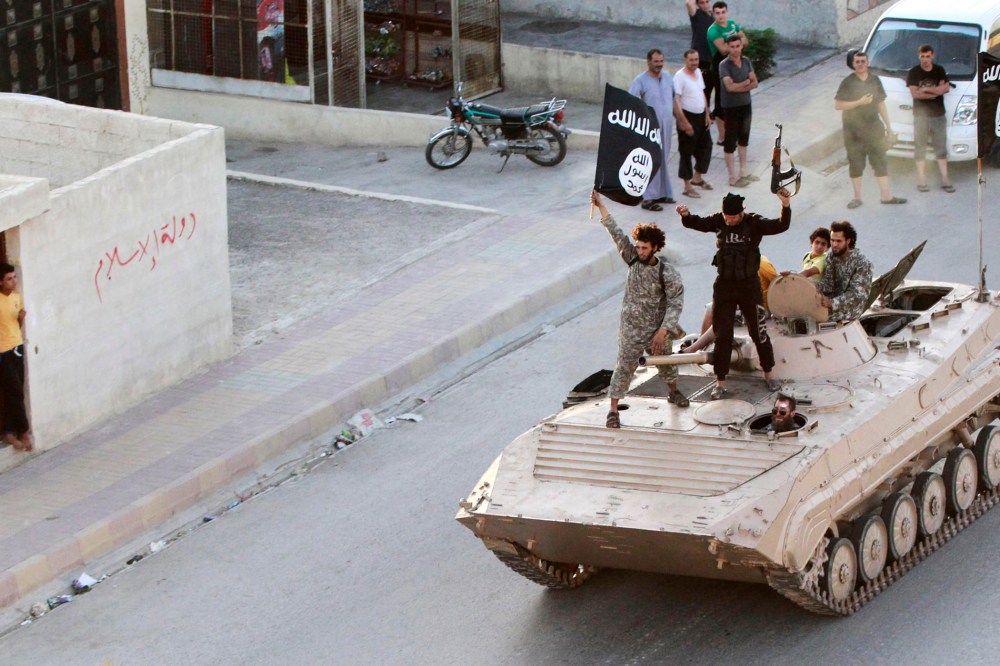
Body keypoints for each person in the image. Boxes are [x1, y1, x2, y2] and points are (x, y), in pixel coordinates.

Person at [677, 190, 791, 399]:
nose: (729, 221)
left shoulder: (754, 223)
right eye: (727, 217)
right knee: (723, 335)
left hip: (749, 286)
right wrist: (685, 215)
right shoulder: (719, 221)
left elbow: (780, 225)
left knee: (759, 332)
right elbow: (699, 223)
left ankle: (769, 374)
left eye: (733, 217)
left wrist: (785, 205)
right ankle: (720, 382)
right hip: (725, 286)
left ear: (742, 213)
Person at [592, 191, 688, 429]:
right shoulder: (632, 259)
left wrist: (664, 331)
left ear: (655, 248)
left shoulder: (666, 273)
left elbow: (676, 301)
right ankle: (613, 410)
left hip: (656, 331)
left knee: (666, 363)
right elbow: (614, 231)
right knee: (624, 367)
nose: (640, 251)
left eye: (645, 248)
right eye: (638, 246)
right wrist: (600, 205)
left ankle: (673, 392)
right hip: (631, 330)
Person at [834, 51, 907, 209]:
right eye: (857, 62)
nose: (860, 64)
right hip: (853, 130)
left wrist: (889, 127)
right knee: (856, 163)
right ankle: (857, 198)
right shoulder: (848, 82)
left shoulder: (875, 80)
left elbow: (881, 103)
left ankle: (886, 196)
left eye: (863, 61)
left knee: (880, 161)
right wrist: (859, 102)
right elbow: (838, 105)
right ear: (853, 64)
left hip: (874, 128)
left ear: (867, 63)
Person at [685, 254, 777, 353]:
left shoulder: (762, 264)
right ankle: (703, 342)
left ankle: (693, 348)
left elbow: (778, 283)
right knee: (710, 309)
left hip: (760, 306)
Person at [630, 48, 676, 210]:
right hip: (649, 128)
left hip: (667, 126)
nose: (659, 64)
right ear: (649, 62)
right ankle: (648, 198)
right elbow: (632, 103)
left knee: (663, 158)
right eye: (656, 62)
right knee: (650, 161)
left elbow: (674, 100)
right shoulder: (640, 80)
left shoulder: (668, 78)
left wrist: (683, 121)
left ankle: (662, 193)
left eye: (661, 61)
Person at [907, 44, 955, 193]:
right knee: (920, 146)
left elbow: (945, 89)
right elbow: (915, 94)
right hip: (921, 116)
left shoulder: (939, 70)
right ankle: (922, 180)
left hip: (938, 114)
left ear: (932, 56)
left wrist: (926, 89)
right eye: (922, 56)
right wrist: (936, 92)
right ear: (918, 56)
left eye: (928, 56)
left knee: (940, 147)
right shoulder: (914, 72)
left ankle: (945, 180)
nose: (925, 59)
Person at [718, 34, 758, 187]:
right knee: (730, 142)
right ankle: (732, 177)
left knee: (743, 139)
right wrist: (747, 82)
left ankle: (743, 171)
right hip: (731, 107)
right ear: (728, 47)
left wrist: (741, 85)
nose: (735, 50)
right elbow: (730, 87)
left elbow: (755, 83)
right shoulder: (724, 65)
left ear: (741, 46)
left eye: (737, 46)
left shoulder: (746, 61)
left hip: (745, 105)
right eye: (732, 46)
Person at [673, 49, 714, 198]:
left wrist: (707, 115)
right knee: (686, 152)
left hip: (701, 115)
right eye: (691, 60)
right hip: (687, 116)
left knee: (706, 146)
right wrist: (684, 122)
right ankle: (687, 186)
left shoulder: (698, 73)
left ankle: (697, 178)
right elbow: (676, 100)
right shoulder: (679, 76)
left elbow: (702, 93)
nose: (695, 62)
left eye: (696, 59)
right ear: (685, 60)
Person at [706, 1, 748, 145]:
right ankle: (722, 137)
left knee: (735, 98)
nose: (721, 15)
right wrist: (736, 44)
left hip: (735, 65)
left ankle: (733, 132)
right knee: (720, 101)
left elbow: (745, 40)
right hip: (719, 67)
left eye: (723, 12)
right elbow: (723, 49)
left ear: (727, 12)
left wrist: (735, 45)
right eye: (717, 13)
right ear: (713, 14)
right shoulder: (713, 30)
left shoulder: (732, 24)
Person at [0, 263, 31, 452]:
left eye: (14, 277)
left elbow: (15, 326)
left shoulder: (17, 298)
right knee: (15, 392)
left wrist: (20, 318)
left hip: (17, 347)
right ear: (1, 282)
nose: (13, 281)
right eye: (9, 279)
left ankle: (10, 431)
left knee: (16, 390)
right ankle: (24, 431)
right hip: (2, 352)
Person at [818, 220, 874, 322]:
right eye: (832, 240)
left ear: (848, 241)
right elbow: (828, 285)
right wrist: (807, 285)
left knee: (816, 319)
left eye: (838, 241)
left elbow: (857, 295)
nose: (834, 245)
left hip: (851, 310)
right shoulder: (831, 257)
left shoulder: (862, 263)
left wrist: (832, 303)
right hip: (832, 302)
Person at [685, 0, 715, 113]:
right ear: (698, 4)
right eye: (702, 3)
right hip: (700, 58)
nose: (705, 5)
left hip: (711, 57)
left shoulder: (712, 16)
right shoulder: (696, 15)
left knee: (709, 87)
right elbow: (688, 3)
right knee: (700, 88)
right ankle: (701, 112)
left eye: (707, 2)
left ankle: (707, 112)